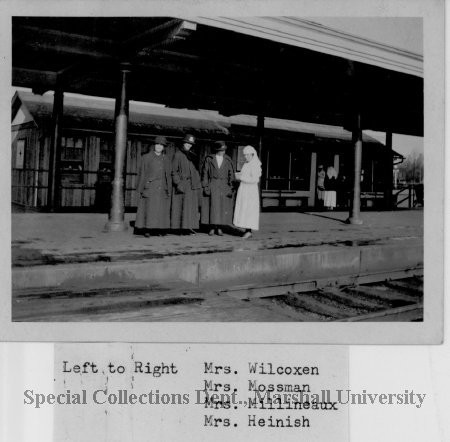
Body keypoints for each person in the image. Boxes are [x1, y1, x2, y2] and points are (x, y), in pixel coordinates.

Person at [135, 136, 172, 237]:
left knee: (160, 210)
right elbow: (142, 173)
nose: (159, 147)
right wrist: (141, 188)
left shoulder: (166, 159)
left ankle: (158, 229)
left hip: (162, 188)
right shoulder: (146, 157)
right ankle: (147, 229)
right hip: (150, 187)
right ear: (154, 145)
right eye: (157, 144)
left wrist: (168, 189)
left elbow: (168, 175)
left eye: (161, 145)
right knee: (149, 209)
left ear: (164, 147)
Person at [201, 140, 235, 235]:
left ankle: (220, 227)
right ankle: (212, 227)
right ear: (216, 150)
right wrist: (205, 186)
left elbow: (231, 175)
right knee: (213, 207)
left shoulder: (228, 160)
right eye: (220, 150)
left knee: (221, 207)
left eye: (224, 150)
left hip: (224, 185)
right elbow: (204, 174)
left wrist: (230, 187)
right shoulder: (209, 159)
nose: (222, 152)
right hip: (213, 183)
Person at [170, 134, 202, 234]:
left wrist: (197, 183)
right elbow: (174, 171)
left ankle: (188, 227)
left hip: (191, 184)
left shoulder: (192, 155)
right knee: (181, 207)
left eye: (191, 144)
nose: (189, 145)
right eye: (187, 143)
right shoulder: (178, 155)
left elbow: (195, 170)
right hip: (182, 183)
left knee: (190, 207)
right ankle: (179, 228)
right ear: (183, 143)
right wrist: (178, 183)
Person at [233, 145, 262, 239]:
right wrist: (239, 176)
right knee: (244, 209)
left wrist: (241, 178)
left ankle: (249, 231)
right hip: (244, 189)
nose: (245, 157)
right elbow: (245, 175)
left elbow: (255, 179)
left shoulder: (255, 164)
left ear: (252, 154)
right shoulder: (246, 164)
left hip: (250, 191)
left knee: (249, 210)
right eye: (244, 155)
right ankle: (246, 229)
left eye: (247, 155)